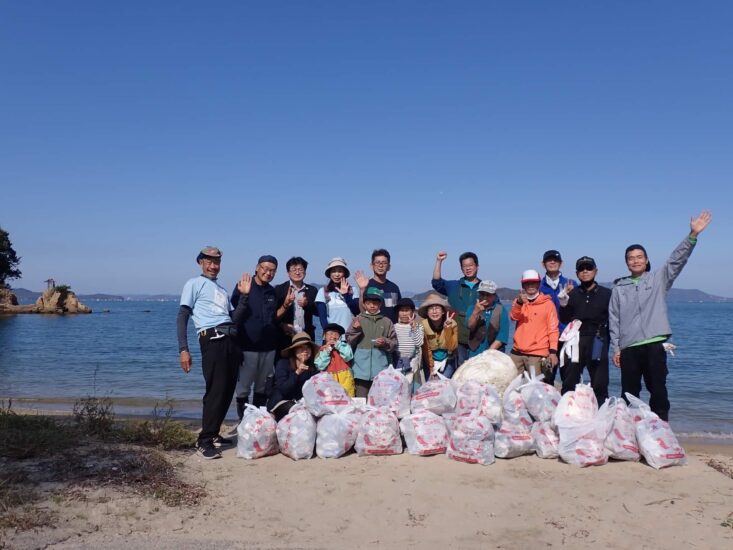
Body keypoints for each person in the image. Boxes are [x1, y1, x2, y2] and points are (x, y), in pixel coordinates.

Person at [609, 210, 712, 421]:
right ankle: (630, 431)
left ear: (646, 260)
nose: (635, 261)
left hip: (654, 344)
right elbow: (614, 319)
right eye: (631, 258)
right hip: (629, 347)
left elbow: (676, 260)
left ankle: (661, 429)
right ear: (627, 263)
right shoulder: (619, 287)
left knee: (658, 389)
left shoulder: (658, 279)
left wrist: (692, 236)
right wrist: (617, 348)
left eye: (639, 257)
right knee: (629, 392)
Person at [177, 246, 247, 459]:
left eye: (216, 262)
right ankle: (204, 440)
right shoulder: (194, 284)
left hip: (231, 340)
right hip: (212, 340)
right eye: (208, 261)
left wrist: (244, 297)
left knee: (227, 390)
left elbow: (234, 319)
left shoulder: (222, 290)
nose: (213, 265)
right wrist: (183, 349)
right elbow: (182, 316)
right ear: (200, 262)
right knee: (216, 390)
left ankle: (214, 433)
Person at [231, 255, 279, 418]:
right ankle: (244, 422)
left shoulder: (272, 291)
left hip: (268, 348)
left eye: (272, 270)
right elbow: (234, 314)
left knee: (262, 387)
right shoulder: (244, 286)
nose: (268, 273)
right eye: (265, 268)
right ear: (257, 268)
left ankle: (258, 422)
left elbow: (273, 317)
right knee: (243, 387)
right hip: (247, 347)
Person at [558, 256, 611, 404]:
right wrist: (564, 303)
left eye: (588, 268)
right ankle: (567, 413)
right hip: (576, 339)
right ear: (577, 274)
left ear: (596, 271)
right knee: (570, 380)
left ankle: (601, 414)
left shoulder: (607, 294)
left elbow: (614, 319)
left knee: (600, 381)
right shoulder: (572, 294)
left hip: (598, 338)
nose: (585, 271)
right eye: (581, 269)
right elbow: (564, 319)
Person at [431, 251, 481, 368]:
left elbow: (495, 309)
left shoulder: (484, 288)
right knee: (459, 370)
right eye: (465, 266)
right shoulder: (453, 286)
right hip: (457, 337)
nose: (468, 268)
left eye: (470, 265)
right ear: (461, 268)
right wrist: (439, 261)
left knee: (476, 370)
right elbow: (436, 283)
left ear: (477, 266)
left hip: (478, 338)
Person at [345, 287, 398, 398]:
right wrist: (356, 330)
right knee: (361, 400)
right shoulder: (358, 319)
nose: (372, 305)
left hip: (381, 370)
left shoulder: (387, 321)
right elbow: (349, 341)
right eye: (369, 303)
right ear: (364, 304)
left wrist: (385, 342)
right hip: (360, 370)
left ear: (380, 304)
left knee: (379, 400)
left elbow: (394, 343)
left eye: (375, 303)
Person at [509, 269, 559, 381]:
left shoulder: (548, 304)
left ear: (539, 283)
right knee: (512, 387)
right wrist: (519, 303)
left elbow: (553, 329)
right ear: (523, 285)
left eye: (534, 282)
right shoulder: (518, 302)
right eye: (527, 283)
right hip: (516, 352)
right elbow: (514, 317)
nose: (531, 285)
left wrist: (553, 352)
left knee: (535, 390)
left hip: (537, 354)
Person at [539, 250, 577, 383]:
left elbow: (578, 310)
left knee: (569, 377)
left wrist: (573, 295)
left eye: (555, 260)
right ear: (543, 264)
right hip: (546, 339)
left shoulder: (571, 284)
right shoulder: (538, 286)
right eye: (549, 260)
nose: (552, 262)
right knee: (546, 377)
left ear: (561, 263)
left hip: (567, 337)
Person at [267, 332, 318, 421]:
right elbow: (283, 389)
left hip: (301, 403)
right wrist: (297, 373)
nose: (305, 350)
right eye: (301, 348)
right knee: (298, 412)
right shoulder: (283, 364)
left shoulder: (312, 368)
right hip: (281, 402)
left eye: (308, 347)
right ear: (294, 350)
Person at [274, 256, 318, 355]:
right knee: (284, 365)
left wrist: (307, 305)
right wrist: (282, 325)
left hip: (306, 336)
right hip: (285, 336)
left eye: (300, 270)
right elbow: (272, 315)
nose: (297, 273)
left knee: (306, 366)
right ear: (288, 273)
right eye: (294, 270)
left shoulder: (312, 290)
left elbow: (318, 312)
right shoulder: (279, 290)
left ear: (305, 272)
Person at [354, 248, 402, 322]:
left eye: (384, 263)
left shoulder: (394, 287)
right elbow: (362, 311)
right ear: (371, 266)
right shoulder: (367, 285)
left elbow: (399, 310)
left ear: (389, 267)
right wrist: (362, 289)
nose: (380, 265)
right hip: (374, 329)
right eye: (377, 262)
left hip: (392, 330)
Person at [418, 293, 458, 380]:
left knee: (444, 384)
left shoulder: (453, 324)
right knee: (431, 384)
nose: (434, 311)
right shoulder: (423, 325)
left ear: (443, 311)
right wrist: (432, 367)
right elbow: (426, 349)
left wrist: (447, 329)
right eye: (431, 309)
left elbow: (452, 347)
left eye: (437, 308)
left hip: (448, 359)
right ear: (427, 312)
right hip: (430, 360)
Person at [315, 257, 360, 332]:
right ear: (329, 274)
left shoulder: (353, 290)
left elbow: (357, 311)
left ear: (344, 273)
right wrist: (329, 333)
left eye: (340, 271)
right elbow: (322, 317)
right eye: (333, 271)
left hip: (351, 336)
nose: (336, 274)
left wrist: (346, 295)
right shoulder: (323, 291)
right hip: (332, 337)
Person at [465, 280, 509, 357]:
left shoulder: (501, 310)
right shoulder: (472, 308)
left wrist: (487, 354)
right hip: (474, 354)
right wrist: (475, 312)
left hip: (494, 354)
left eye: (488, 295)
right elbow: (469, 326)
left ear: (494, 296)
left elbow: (502, 337)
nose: (485, 297)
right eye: (482, 294)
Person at [314, 322, 356, 397]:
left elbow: (348, 357)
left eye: (336, 334)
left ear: (340, 337)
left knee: (347, 400)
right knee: (329, 400)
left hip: (345, 378)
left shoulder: (344, 346)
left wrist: (338, 345)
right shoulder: (321, 350)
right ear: (324, 336)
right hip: (328, 379)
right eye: (330, 334)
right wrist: (327, 351)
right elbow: (320, 366)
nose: (333, 336)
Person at [392, 298, 424, 384]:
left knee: (413, 388)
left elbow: (419, 343)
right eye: (401, 310)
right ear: (398, 312)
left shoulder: (418, 327)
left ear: (413, 312)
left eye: (407, 310)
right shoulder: (394, 327)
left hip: (412, 363)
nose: (404, 313)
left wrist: (413, 328)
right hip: (397, 362)